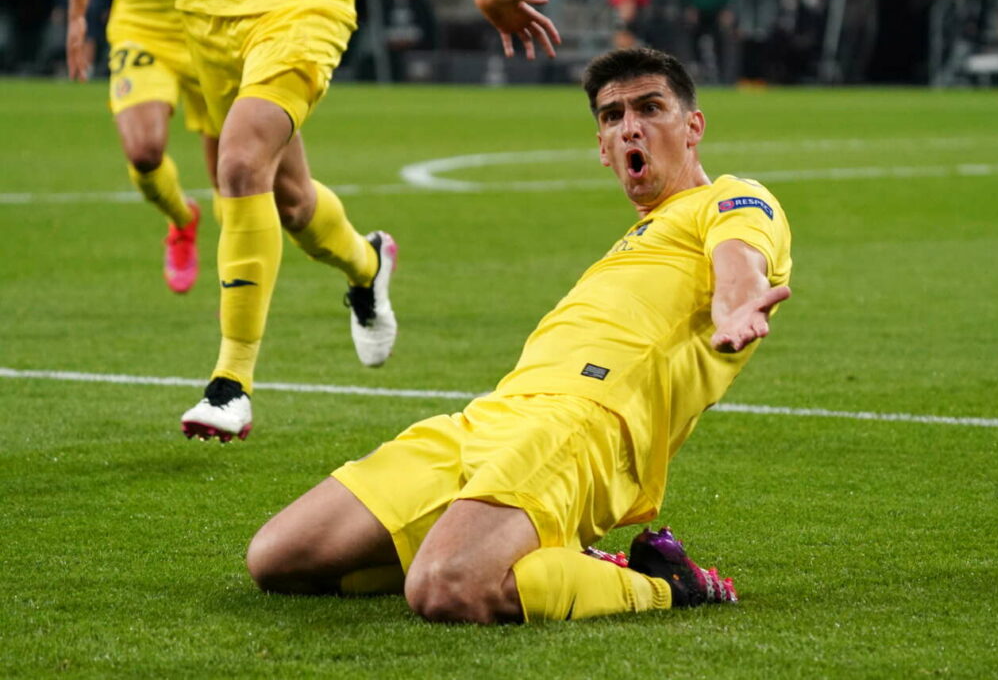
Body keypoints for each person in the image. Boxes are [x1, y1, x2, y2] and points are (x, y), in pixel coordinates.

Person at [244, 48, 792, 623]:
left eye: (650, 108)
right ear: (602, 148)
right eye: (613, 116)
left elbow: (739, 262)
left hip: (582, 424)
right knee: (278, 559)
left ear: (693, 126)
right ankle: (512, 549)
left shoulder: (731, 199)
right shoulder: (642, 236)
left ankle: (666, 584)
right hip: (494, 415)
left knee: (446, 589)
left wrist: (736, 309)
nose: (630, 126)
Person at [177, 0, 562, 442]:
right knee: (290, 201)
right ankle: (368, 262)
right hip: (206, 10)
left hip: (301, 1)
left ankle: (230, 383)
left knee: (240, 165)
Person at [67, 0, 219, 294]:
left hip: (215, 27)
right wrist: (77, 15)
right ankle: (182, 218)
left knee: (233, 174)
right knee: (143, 152)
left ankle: (238, 294)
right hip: (142, 26)